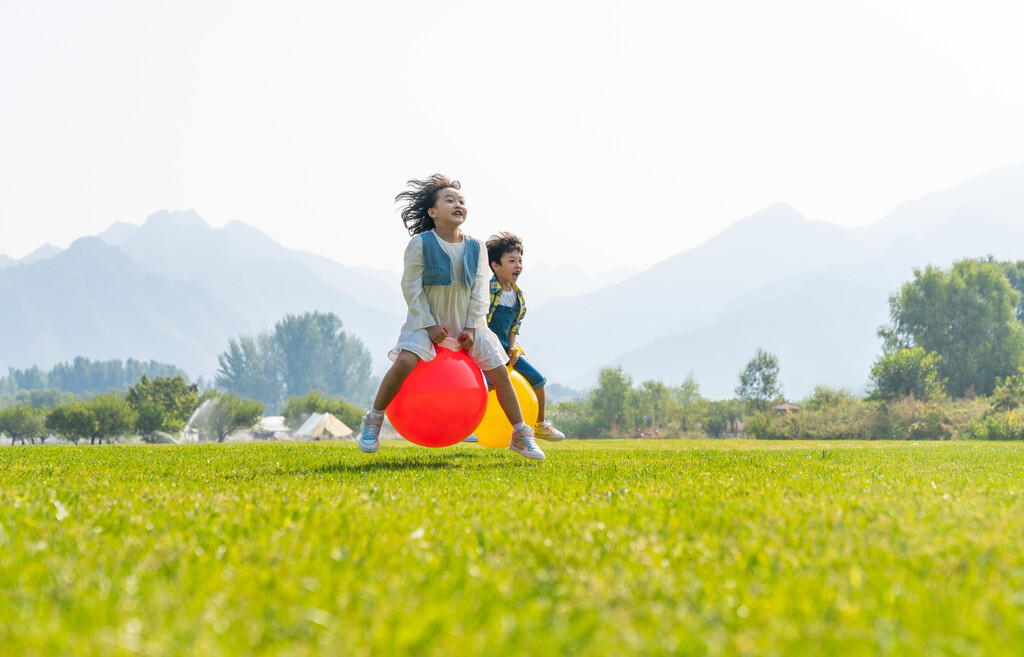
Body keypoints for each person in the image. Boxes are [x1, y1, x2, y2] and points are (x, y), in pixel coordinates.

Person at [358, 175, 545, 460]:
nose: (458, 204)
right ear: (433, 212)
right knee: (405, 361)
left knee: (501, 373)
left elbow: (480, 292)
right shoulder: (420, 244)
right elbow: (411, 287)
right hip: (427, 321)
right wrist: (430, 325)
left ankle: (520, 434)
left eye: (461, 201)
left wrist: (471, 328)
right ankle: (374, 419)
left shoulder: (476, 247)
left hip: (469, 324)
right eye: (449, 200)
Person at [484, 232, 566, 442]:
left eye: (520, 261)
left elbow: (514, 326)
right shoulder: (486, 291)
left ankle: (540, 424)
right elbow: (479, 321)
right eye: (511, 261)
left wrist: (511, 349)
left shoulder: (519, 296)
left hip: (506, 347)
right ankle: (470, 426)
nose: (518, 265)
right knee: (488, 385)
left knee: (538, 381)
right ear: (495, 266)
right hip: (484, 347)